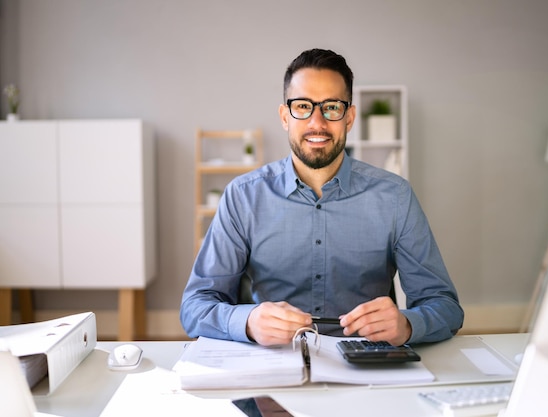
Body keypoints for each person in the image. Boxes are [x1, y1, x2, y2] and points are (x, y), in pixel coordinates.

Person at [180, 48, 464, 347]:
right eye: (303, 106)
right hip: (272, 361)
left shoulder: (395, 196)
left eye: (332, 107)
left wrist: (407, 325)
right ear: (285, 116)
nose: (317, 122)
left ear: (349, 117)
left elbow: (445, 307)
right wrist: (248, 322)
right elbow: (194, 308)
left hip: (367, 365)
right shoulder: (243, 197)